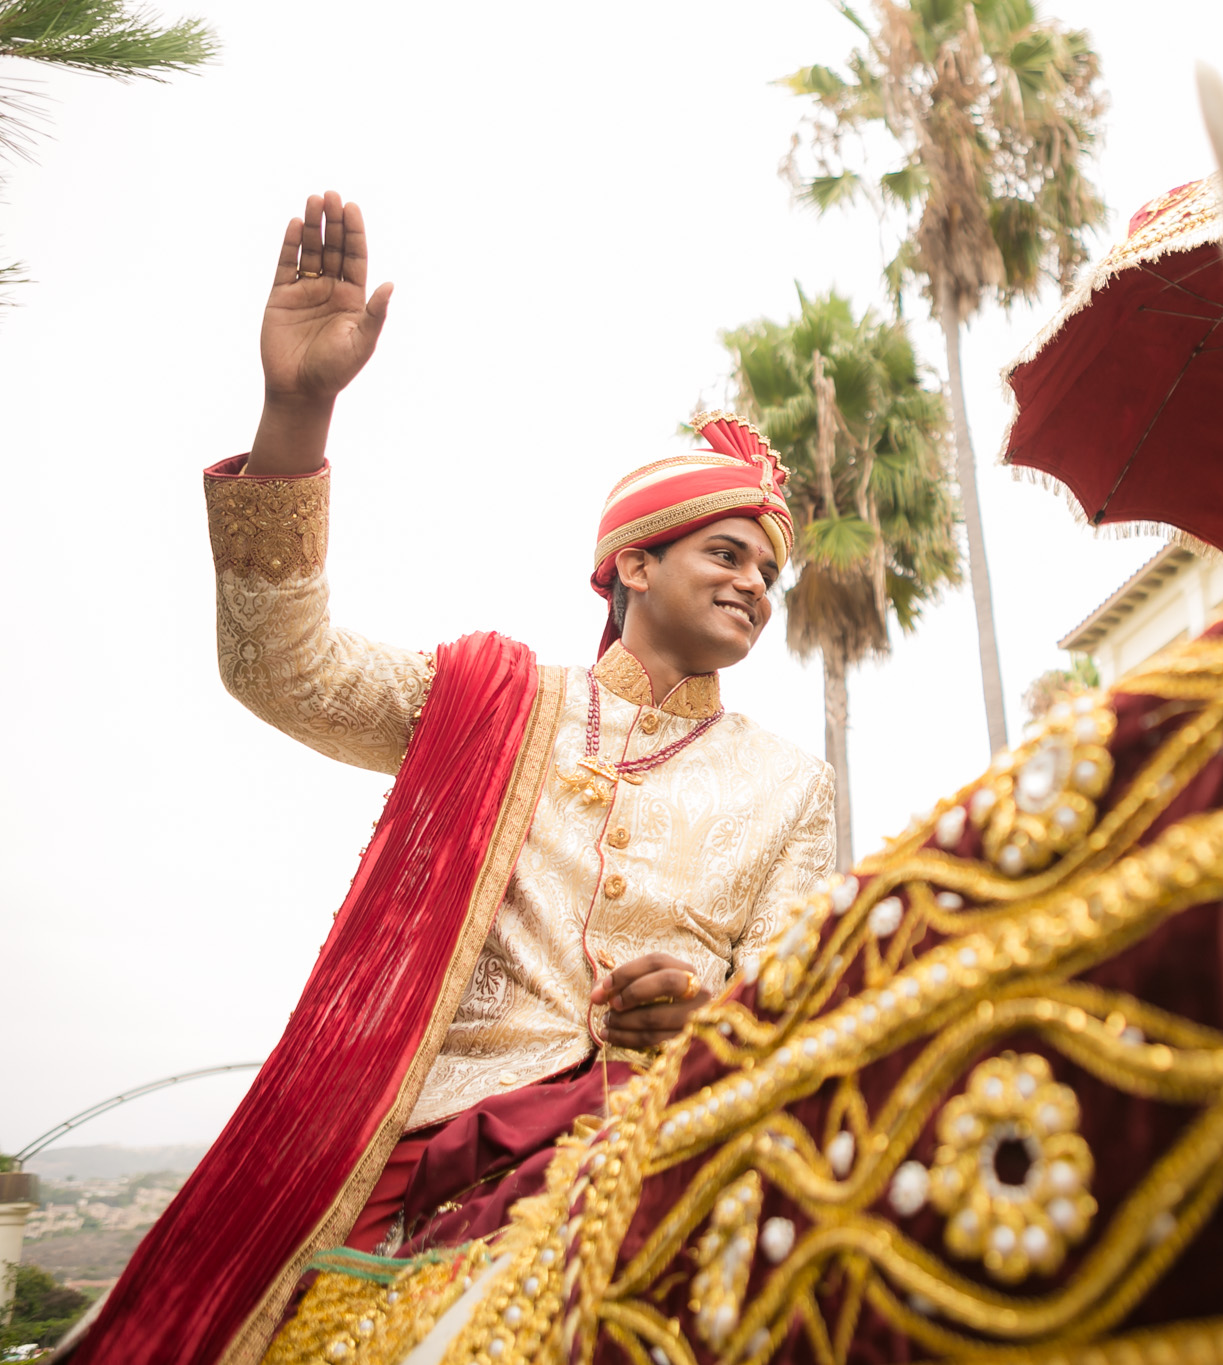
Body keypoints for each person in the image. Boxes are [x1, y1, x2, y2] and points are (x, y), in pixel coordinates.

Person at [70, 192, 835, 1365]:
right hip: (428, 1154)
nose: (751, 587)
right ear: (630, 563)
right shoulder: (502, 703)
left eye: (766, 574)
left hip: (663, 1137)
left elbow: (795, 1001)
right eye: (724, 554)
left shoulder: (789, 786)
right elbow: (283, 670)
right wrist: (298, 408)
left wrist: (699, 1014)